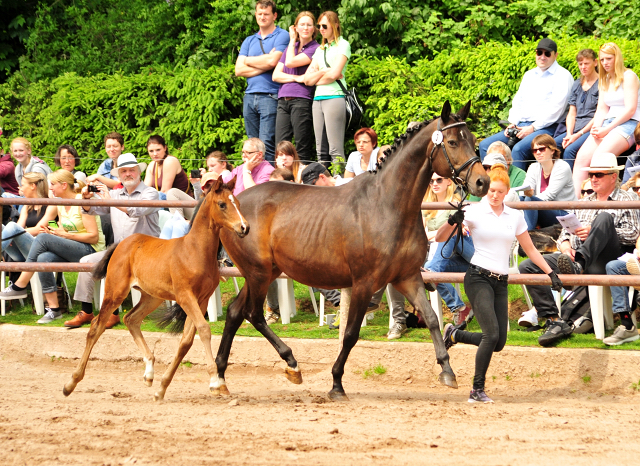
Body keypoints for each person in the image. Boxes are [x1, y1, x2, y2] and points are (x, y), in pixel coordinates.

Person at [437, 164, 562, 403]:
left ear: (507, 193)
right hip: (477, 277)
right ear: (486, 191)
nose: (494, 195)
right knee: (491, 334)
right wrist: (452, 221)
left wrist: (550, 273)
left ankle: (454, 335)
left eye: (499, 192)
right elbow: (441, 238)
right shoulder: (473, 211)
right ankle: (476, 390)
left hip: (500, 281)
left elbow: (531, 250)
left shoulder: (514, 216)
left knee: (498, 342)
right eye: (491, 191)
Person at [518, 152, 640, 345]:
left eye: (598, 174)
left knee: (604, 219)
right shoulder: (583, 202)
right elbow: (565, 233)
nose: (593, 178)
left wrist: (596, 231)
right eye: (591, 174)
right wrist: (565, 245)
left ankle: (579, 264)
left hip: (608, 260)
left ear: (613, 177)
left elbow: (633, 234)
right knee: (528, 266)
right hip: (573, 259)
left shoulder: (627, 198)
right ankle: (554, 320)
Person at [65, 153, 160, 329]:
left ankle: (111, 314)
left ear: (139, 171)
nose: (128, 174)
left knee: (114, 265)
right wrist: (86, 200)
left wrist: (110, 200)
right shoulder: (114, 194)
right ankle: (86, 311)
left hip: (147, 253)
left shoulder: (150, 192)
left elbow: (135, 210)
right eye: (123, 171)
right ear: (119, 175)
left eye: (132, 170)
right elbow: (91, 210)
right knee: (85, 262)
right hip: (120, 251)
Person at [0, 170, 106, 324]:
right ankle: (54, 309)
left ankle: (21, 282)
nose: (50, 189)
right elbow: (62, 229)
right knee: (44, 258)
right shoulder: (59, 203)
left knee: (42, 238)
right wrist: (56, 232)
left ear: (64, 185)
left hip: (91, 249)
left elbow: (93, 237)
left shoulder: (82, 201)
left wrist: (63, 235)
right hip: (73, 247)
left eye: (53, 185)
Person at [478, 38, 574, 170]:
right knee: (485, 145)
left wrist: (533, 128)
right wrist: (513, 123)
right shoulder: (529, 75)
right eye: (539, 52)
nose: (542, 57)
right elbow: (518, 101)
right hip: (521, 125)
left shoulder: (563, 76)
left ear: (555, 55)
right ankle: (494, 185)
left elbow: (556, 110)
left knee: (518, 150)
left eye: (547, 54)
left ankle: (516, 189)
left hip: (547, 127)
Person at [573, 42, 640, 194]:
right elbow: (602, 109)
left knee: (599, 158)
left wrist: (606, 130)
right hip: (608, 123)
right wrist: (596, 129)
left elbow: (630, 110)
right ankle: (575, 205)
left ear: (617, 58)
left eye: (609, 59)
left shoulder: (629, 76)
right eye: (602, 60)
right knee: (581, 158)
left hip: (629, 123)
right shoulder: (605, 79)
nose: (605, 63)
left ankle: (601, 202)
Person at [235, 0, 289, 162]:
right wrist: (265, 62)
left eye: (266, 14)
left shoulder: (282, 35)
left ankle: (268, 183)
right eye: (259, 14)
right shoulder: (249, 40)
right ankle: (255, 182)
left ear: (275, 16)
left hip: (270, 95)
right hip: (249, 96)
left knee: (266, 144)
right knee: (252, 146)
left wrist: (249, 60)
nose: (262, 17)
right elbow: (239, 70)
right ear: (255, 15)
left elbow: (273, 62)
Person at [423, 172, 472, 326]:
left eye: (438, 180)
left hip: (471, 254)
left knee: (451, 232)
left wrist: (438, 234)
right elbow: (422, 235)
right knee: (430, 269)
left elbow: (459, 231)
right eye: (431, 181)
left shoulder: (458, 203)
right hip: (450, 259)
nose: (434, 184)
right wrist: (438, 234)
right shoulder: (428, 206)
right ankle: (459, 307)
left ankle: (432, 273)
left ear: (449, 182)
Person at [303, 11, 351, 166]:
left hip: (334, 97)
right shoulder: (320, 49)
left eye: (324, 25)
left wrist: (316, 77)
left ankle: (339, 181)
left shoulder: (343, 45)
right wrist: (324, 72)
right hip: (317, 100)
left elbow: (335, 73)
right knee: (320, 151)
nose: (321, 29)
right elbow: (306, 79)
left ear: (335, 25)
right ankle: (321, 182)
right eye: (319, 26)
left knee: (335, 149)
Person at [273, 11, 319, 162]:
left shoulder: (315, 48)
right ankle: (280, 181)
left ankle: (302, 181)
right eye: (302, 24)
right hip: (283, 100)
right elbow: (276, 75)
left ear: (314, 29)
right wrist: (296, 78)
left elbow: (290, 63)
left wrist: (292, 40)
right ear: (296, 27)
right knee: (280, 146)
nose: (305, 28)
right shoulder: (290, 48)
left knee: (301, 145)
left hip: (301, 99)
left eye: (309, 25)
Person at [553, 49, 599, 169]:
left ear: (595, 62)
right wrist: (569, 134)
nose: (583, 67)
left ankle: (570, 185)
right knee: (549, 147)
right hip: (574, 129)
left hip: (589, 129)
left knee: (570, 150)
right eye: (580, 64)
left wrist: (577, 135)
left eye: (586, 63)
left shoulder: (602, 83)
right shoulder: (577, 83)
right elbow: (572, 112)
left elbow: (598, 115)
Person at [521, 134, 576, 230]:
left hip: (564, 213)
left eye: (542, 149)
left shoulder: (563, 167)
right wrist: (526, 194)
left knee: (529, 201)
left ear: (552, 150)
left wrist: (530, 197)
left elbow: (549, 195)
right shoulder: (533, 167)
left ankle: (527, 236)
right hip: (543, 209)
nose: (538, 153)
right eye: (534, 150)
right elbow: (524, 190)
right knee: (520, 198)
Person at [1, 173, 57, 262]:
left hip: (41, 250)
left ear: (32, 186)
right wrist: (11, 234)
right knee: (2, 227)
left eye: (23, 185)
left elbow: (39, 229)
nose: (21, 188)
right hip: (24, 251)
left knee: (11, 228)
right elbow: (18, 227)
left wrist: (12, 234)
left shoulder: (51, 205)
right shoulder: (27, 205)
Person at [143, 135, 191, 200]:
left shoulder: (170, 161)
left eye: (158, 150)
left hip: (183, 205)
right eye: (151, 151)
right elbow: (145, 191)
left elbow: (165, 192)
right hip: (165, 204)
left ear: (165, 148)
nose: (155, 154)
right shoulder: (151, 165)